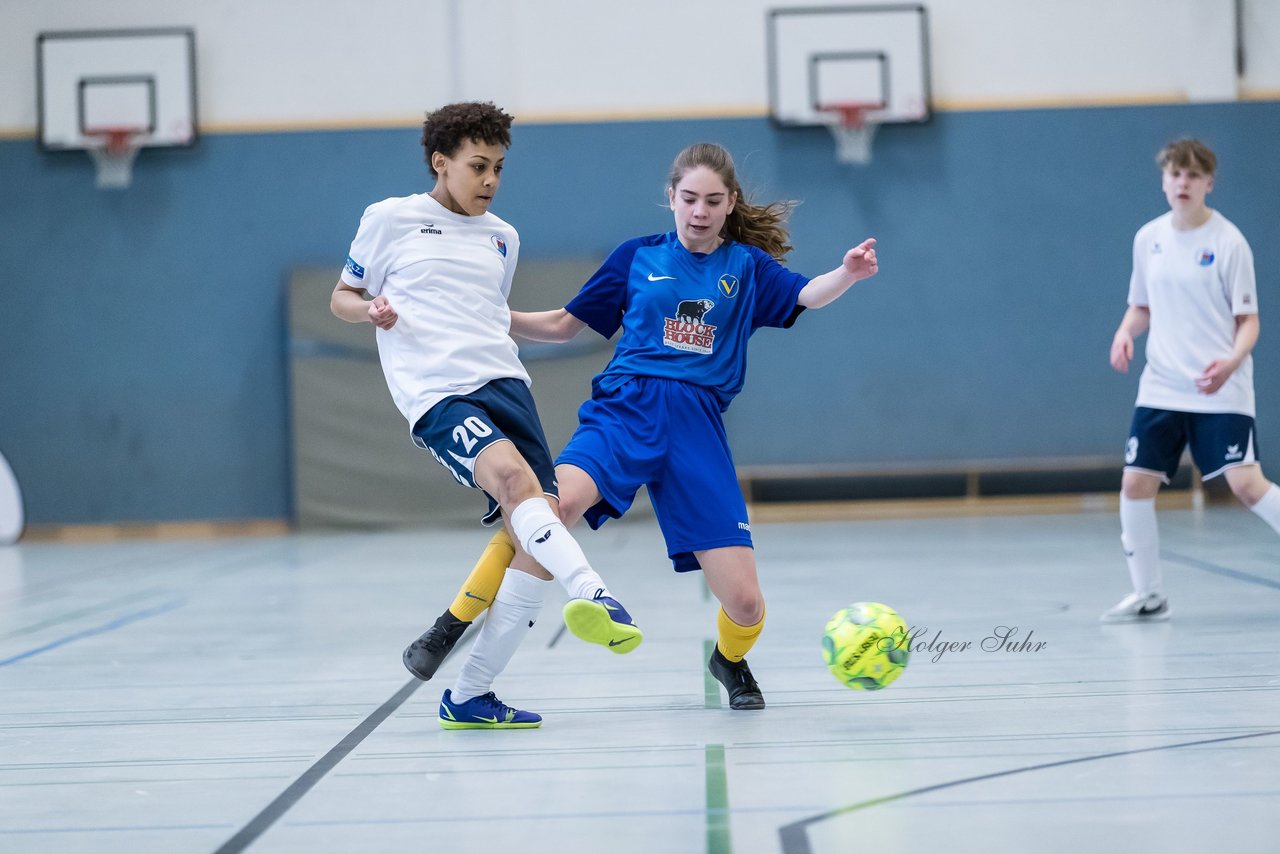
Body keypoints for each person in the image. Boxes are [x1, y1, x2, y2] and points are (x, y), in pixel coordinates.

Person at [404, 141, 879, 711]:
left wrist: (847, 274)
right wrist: (485, 316)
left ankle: (730, 661)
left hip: (696, 428)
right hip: (624, 412)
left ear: (730, 205)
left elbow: (805, 294)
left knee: (746, 604)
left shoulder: (746, 268)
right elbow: (561, 326)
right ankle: (452, 627)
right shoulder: (637, 258)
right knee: (543, 510)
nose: (699, 211)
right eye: (688, 199)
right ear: (670, 198)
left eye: (712, 200)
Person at [331, 102, 641, 730]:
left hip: (507, 385)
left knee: (536, 532)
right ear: (440, 164)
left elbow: (492, 318)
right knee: (512, 482)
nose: (490, 180)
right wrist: (371, 312)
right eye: (478, 166)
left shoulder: (505, 237)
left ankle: (471, 694)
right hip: (438, 393)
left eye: (499, 167)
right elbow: (341, 297)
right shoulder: (390, 219)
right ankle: (595, 592)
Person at [1105, 138, 1280, 622]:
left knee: (1246, 485)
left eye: (1193, 175)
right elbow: (1141, 305)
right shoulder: (1149, 238)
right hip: (1162, 385)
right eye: (1175, 174)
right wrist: (1124, 332)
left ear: (1208, 183)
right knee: (1135, 485)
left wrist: (1228, 362)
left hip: (1220, 388)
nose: (1183, 183)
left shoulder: (1228, 242)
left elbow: (1250, 321)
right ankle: (1149, 595)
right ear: (1164, 181)